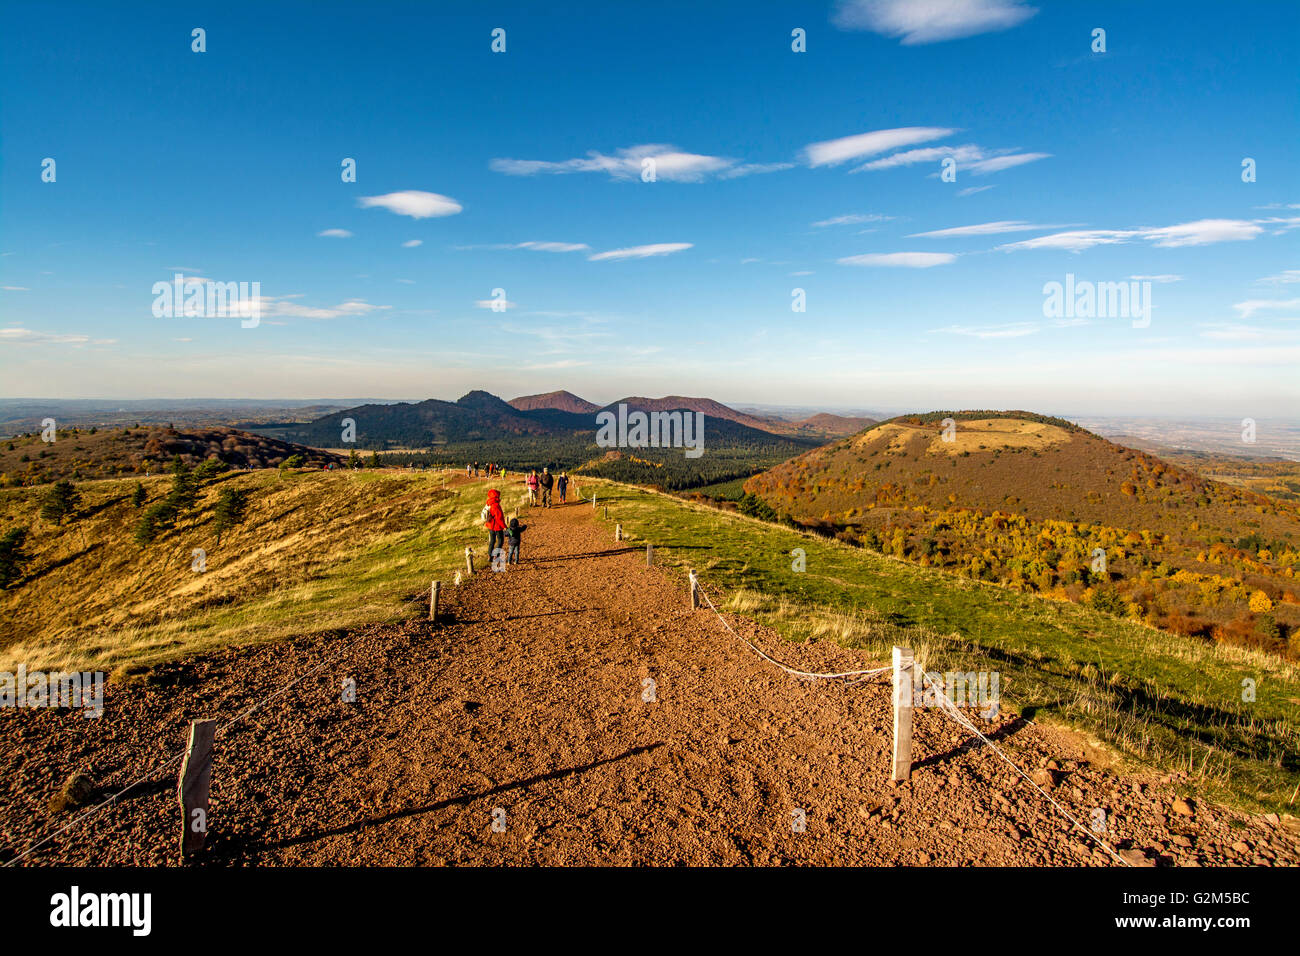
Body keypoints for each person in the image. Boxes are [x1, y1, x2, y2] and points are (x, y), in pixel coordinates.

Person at [482, 488, 506, 563]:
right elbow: (499, 518)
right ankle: (496, 555)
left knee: (492, 540)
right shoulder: (495, 505)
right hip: (497, 526)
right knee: (500, 540)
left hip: (490, 526)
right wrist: (504, 526)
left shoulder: (488, 503)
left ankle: (489, 555)